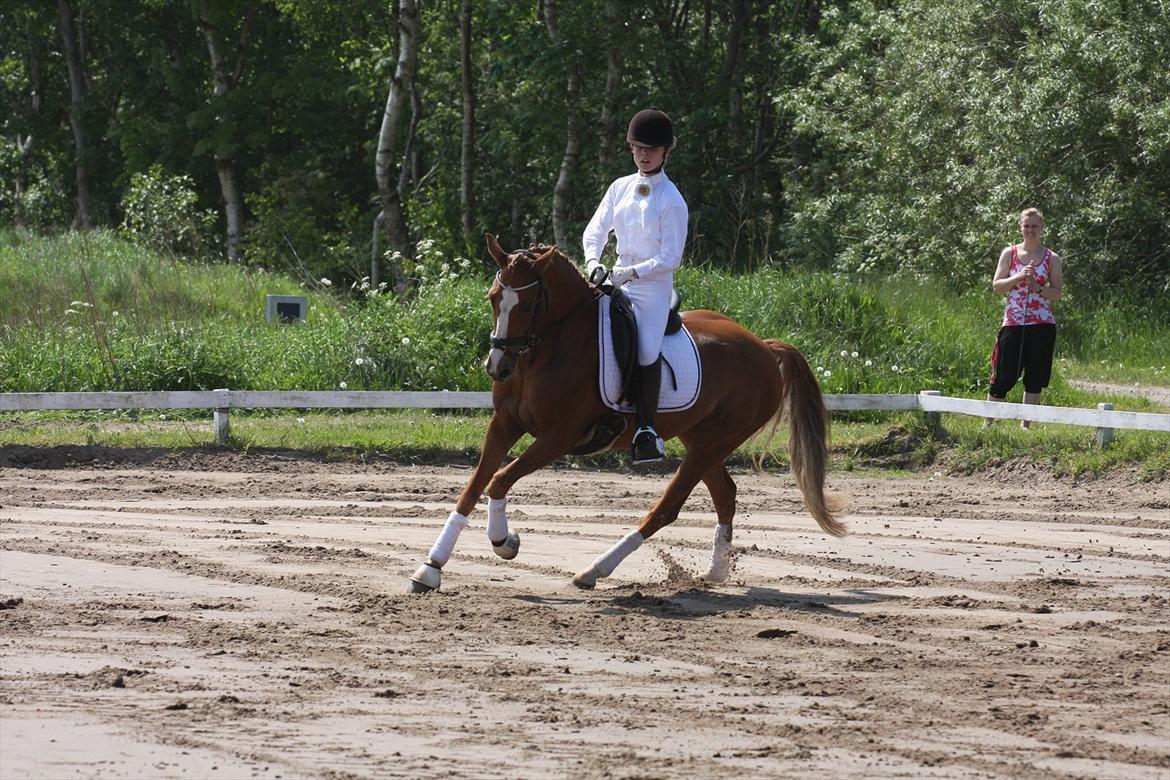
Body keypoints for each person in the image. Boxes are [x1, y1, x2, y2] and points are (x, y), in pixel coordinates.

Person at [583, 108, 689, 464]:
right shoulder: (620, 187)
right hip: (613, 275)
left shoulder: (671, 200)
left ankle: (646, 430)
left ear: (665, 151)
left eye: (651, 149)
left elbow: (670, 258)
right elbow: (596, 230)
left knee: (645, 349)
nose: (643, 155)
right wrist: (593, 261)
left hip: (651, 287)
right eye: (637, 148)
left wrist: (631, 273)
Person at [986, 207, 1064, 429]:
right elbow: (997, 286)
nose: (1030, 230)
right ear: (1021, 227)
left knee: (1035, 376)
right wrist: (1018, 276)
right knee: (1004, 374)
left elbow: (1057, 293)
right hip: (1014, 322)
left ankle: (1025, 425)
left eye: (1035, 226)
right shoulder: (1009, 254)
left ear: (1042, 228)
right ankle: (989, 423)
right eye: (1027, 226)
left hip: (1042, 324)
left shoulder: (1052, 258)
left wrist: (1038, 288)